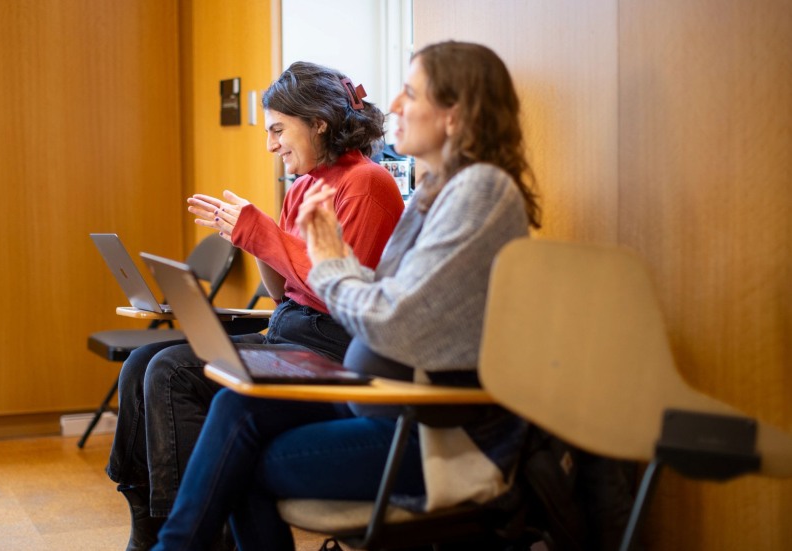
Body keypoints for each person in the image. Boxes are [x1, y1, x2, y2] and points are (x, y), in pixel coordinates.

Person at [149, 41, 543, 551]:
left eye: (410, 93)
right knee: (234, 408)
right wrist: (289, 246)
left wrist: (330, 258)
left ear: (454, 115)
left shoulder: (479, 192)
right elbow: (387, 300)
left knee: (239, 457)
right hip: (384, 404)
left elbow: (388, 319)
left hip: (434, 429)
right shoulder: (435, 192)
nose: (393, 106)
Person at [106, 61, 406, 551]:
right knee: (141, 363)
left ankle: (196, 531)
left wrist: (262, 234)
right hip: (289, 332)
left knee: (171, 372)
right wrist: (250, 239)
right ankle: (146, 514)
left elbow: (343, 291)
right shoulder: (304, 185)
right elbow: (281, 290)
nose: (271, 145)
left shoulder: (367, 183)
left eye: (277, 130)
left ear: (318, 123)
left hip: (333, 344)